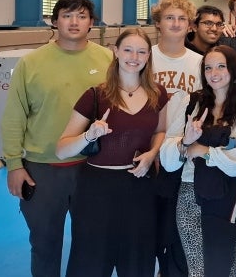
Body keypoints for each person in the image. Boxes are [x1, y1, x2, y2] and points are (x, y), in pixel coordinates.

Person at [0, 0, 113, 277]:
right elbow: (14, 116)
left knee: (92, 243)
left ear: (91, 23)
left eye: (81, 16)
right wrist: (14, 165)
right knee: (44, 243)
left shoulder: (108, 59)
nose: (74, 22)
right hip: (43, 169)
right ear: (54, 22)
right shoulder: (31, 63)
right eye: (67, 16)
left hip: (93, 168)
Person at [56, 28, 168, 276]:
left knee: (137, 262)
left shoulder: (157, 94)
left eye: (141, 52)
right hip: (97, 190)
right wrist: (89, 135)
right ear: (116, 52)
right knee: (91, 261)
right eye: (128, 50)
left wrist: (152, 153)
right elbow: (62, 149)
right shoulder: (95, 96)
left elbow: (160, 131)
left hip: (140, 188)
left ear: (148, 56)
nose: (134, 57)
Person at [160, 45, 236, 277]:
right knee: (197, 269)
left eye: (221, 66)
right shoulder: (192, 103)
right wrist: (186, 142)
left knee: (227, 268)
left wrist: (203, 151)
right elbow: (168, 157)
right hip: (191, 194)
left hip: (233, 195)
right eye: (208, 68)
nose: (214, 73)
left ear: (233, 70)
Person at [151, 0, 204, 277]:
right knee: (148, 223)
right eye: (169, 17)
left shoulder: (200, 63)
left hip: (182, 151)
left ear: (190, 25)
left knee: (177, 225)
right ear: (158, 22)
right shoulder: (144, 56)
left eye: (182, 18)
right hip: (146, 150)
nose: (175, 23)